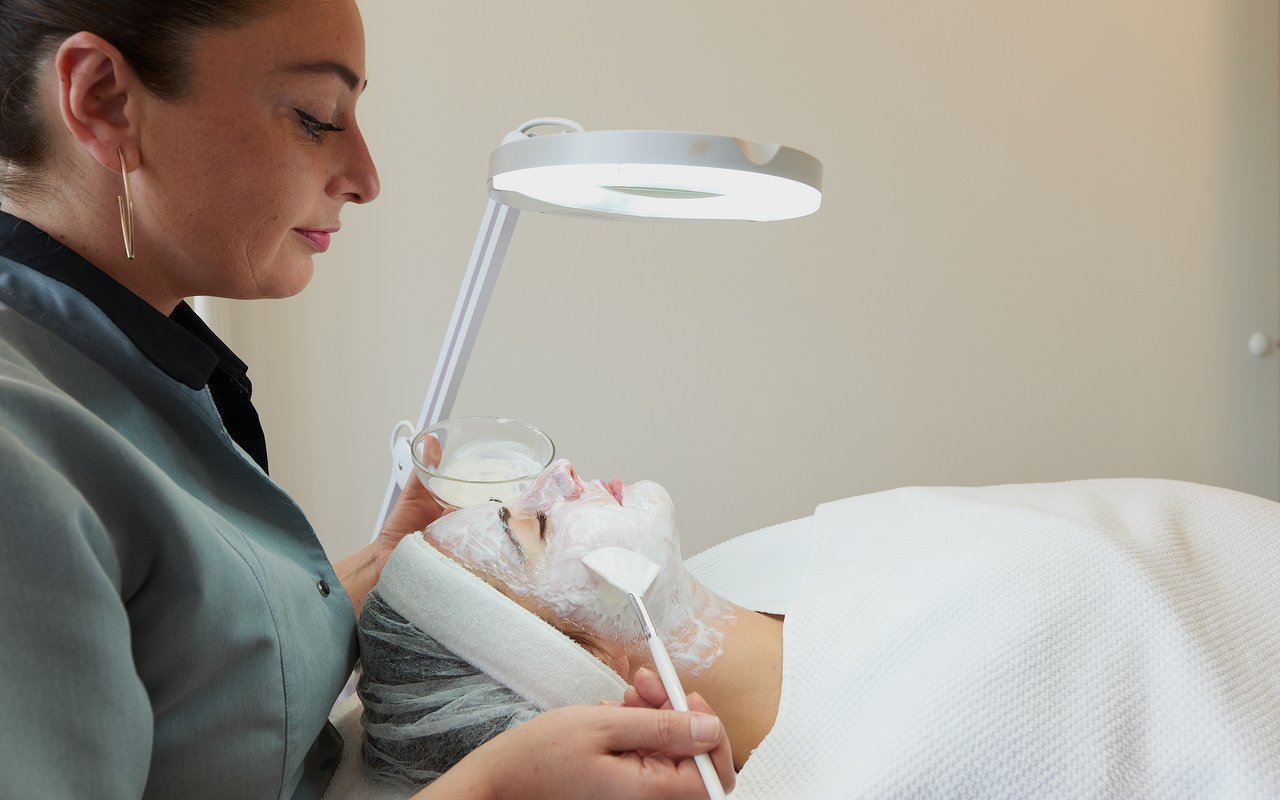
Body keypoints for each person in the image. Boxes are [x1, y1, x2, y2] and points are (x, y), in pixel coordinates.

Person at [0, 2, 733, 798]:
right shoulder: (20, 451)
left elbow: (198, 678)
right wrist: (492, 789)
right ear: (104, 98)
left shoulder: (138, 365)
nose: (366, 178)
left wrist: (387, 565)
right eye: (317, 117)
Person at [358, 459, 1280, 799]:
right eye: (533, 526)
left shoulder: (755, 563)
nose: (558, 476)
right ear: (581, 665)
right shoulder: (901, 750)